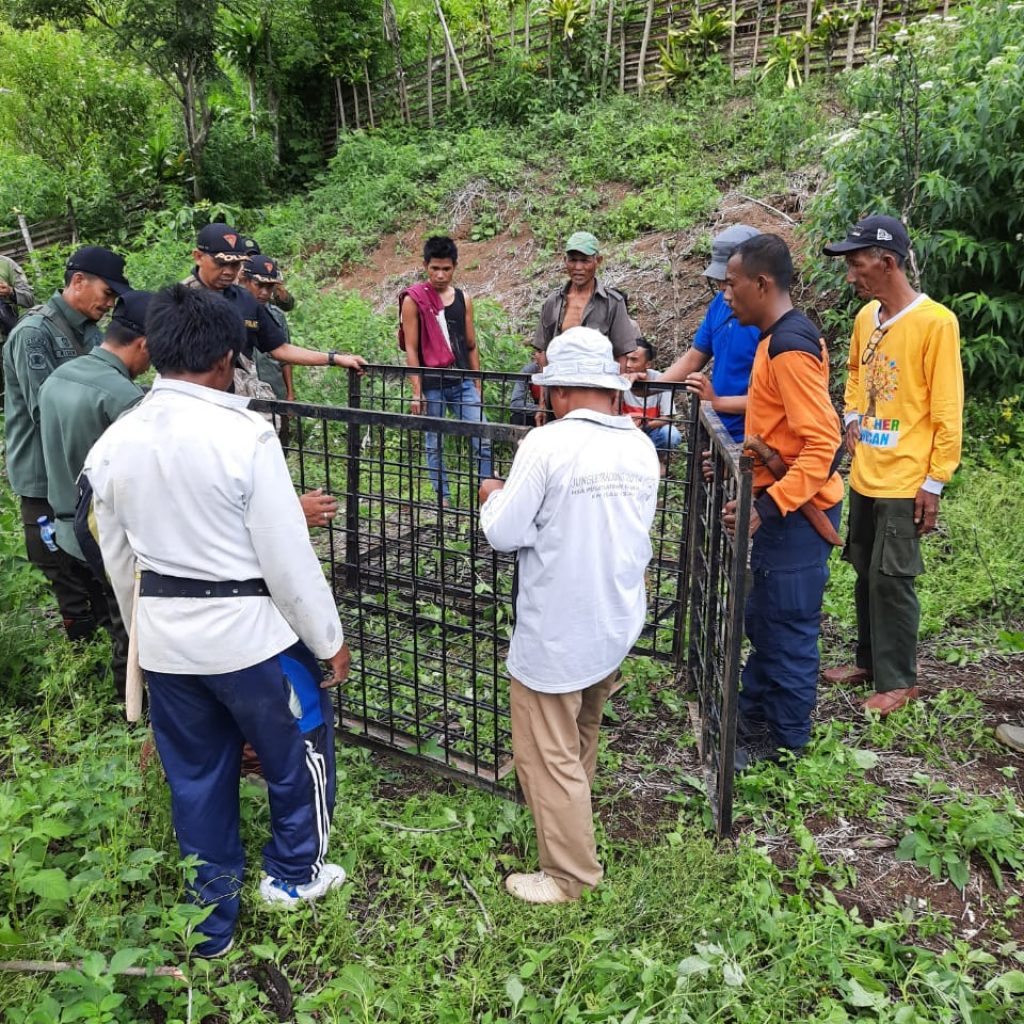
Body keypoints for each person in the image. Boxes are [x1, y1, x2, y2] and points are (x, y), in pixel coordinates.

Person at [83, 284, 352, 958]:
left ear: (157, 350)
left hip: (168, 642)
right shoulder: (245, 435)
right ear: (229, 355)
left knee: (198, 776)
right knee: (297, 754)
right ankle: (294, 876)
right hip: (251, 637)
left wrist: (144, 633)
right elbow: (286, 556)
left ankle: (212, 921)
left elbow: (118, 558)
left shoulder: (114, 443)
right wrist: (328, 638)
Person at [479, 327, 659, 904]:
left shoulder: (547, 445)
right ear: (608, 388)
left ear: (556, 393)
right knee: (582, 723)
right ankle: (574, 802)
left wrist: (494, 498)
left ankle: (569, 875)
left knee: (546, 747)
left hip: (557, 627)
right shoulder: (639, 446)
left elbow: (505, 533)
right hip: (613, 617)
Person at [822, 215, 963, 715]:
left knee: (892, 578)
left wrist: (935, 480)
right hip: (866, 469)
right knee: (864, 568)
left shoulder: (936, 323)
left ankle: (900, 680)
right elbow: (857, 371)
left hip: (907, 477)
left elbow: (946, 406)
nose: (850, 275)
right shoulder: (867, 319)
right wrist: (853, 413)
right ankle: (869, 661)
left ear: (887, 262)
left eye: (857, 264)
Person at [720, 234, 843, 769]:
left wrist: (767, 508)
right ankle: (754, 714)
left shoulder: (790, 347)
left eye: (732, 284)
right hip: (781, 504)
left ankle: (785, 741)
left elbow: (824, 443)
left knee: (788, 624)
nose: (727, 295)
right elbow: (779, 429)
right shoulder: (776, 340)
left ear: (761, 283)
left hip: (795, 515)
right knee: (765, 616)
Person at [189, 225, 358, 528]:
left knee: (250, 473)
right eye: (221, 262)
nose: (229, 270)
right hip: (196, 411)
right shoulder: (181, 300)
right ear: (199, 256)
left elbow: (278, 347)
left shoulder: (245, 300)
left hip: (239, 406)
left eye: (236, 263)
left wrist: (332, 359)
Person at [3, 245, 130, 640]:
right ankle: (82, 671)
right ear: (78, 282)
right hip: (46, 477)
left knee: (97, 571)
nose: (109, 304)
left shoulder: (90, 330)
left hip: (84, 471)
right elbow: (50, 415)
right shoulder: (33, 334)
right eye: (106, 294)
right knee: (69, 582)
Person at [37, 290, 153, 698]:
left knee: (104, 612)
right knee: (129, 624)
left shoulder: (57, 378)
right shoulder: (124, 397)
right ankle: (133, 711)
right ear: (143, 343)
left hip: (64, 529)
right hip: (104, 534)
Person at [400, 235, 492, 504]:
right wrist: (417, 391)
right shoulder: (414, 300)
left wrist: (476, 382)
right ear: (425, 266)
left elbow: (471, 344)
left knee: (483, 436)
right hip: (431, 383)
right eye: (435, 268)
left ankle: (486, 494)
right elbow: (412, 348)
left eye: (446, 269)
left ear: (455, 267)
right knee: (435, 443)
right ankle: (444, 499)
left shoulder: (464, 299)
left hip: (462, 379)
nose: (440, 275)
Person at [658, 224, 761, 444]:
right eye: (721, 280)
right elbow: (694, 357)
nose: (723, 287)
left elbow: (773, 402)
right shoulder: (719, 306)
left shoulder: (766, 322)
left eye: (729, 280)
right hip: (719, 429)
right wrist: (650, 387)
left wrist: (718, 401)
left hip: (753, 438)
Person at [622, 337, 682, 459]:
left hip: (651, 430)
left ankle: (657, 459)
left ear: (648, 364)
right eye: (626, 359)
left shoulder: (660, 380)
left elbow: (668, 417)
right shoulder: (619, 379)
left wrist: (645, 425)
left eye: (634, 360)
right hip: (625, 430)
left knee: (671, 435)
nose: (628, 365)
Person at [509, 354, 542, 427]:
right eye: (537, 352)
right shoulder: (530, 370)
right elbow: (515, 404)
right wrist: (540, 409)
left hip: (559, 414)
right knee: (517, 418)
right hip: (539, 410)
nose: (537, 355)